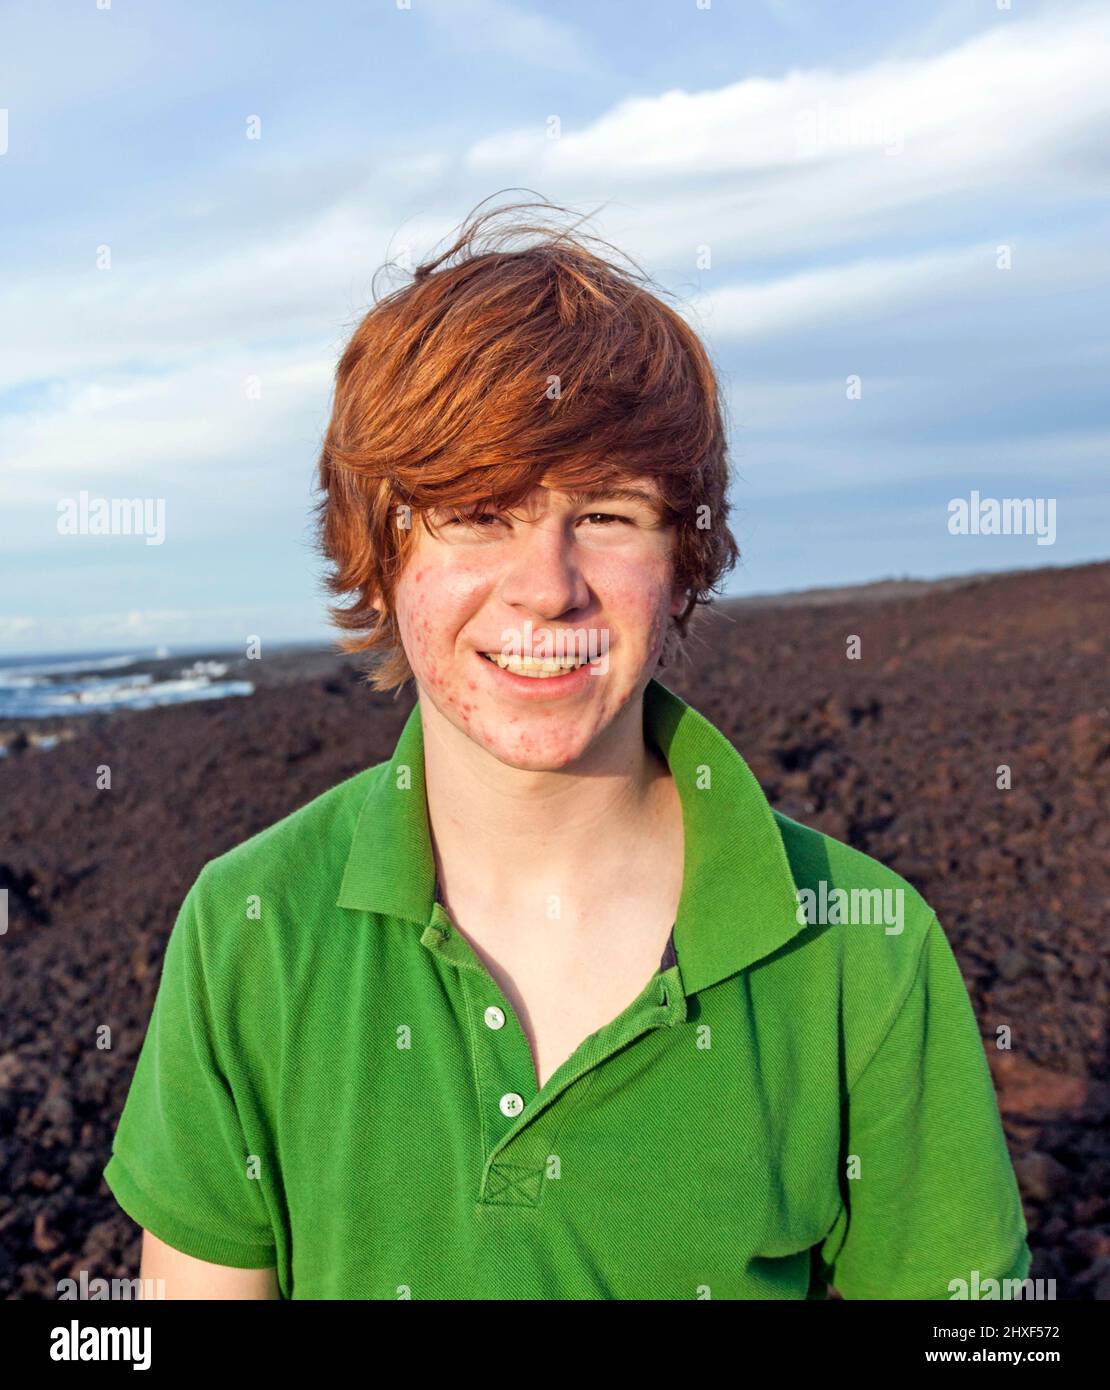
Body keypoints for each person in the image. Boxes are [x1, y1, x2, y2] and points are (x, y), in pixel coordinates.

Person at [103, 199, 1032, 1300]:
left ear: (684, 561)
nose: (547, 586)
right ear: (379, 550)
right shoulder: (248, 925)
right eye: (480, 514)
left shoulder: (863, 950)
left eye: (607, 514)